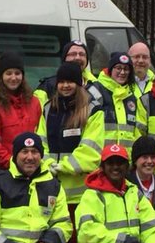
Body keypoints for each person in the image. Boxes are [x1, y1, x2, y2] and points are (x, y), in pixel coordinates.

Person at [38, 62, 105, 211]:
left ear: (79, 84)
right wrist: (48, 163)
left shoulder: (93, 110)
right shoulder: (48, 109)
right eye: (61, 82)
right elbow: (40, 143)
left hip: (80, 195)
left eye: (70, 81)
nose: (65, 85)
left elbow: (91, 151)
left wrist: (62, 167)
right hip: (51, 191)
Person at [0, 52, 43, 177]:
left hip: (31, 170)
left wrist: (30, 163)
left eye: (17, 73)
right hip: (2, 172)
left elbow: (41, 137)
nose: (13, 78)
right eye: (8, 73)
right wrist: (14, 164)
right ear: (1, 76)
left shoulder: (34, 102)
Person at [33, 39, 101, 107]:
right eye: (73, 54)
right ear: (64, 58)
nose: (78, 57)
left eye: (82, 54)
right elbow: (35, 108)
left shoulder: (97, 85)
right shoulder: (48, 86)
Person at [94, 52, 139, 150]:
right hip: (101, 156)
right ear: (110, 69)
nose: (122, 72)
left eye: (126, 69)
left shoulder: (132, 97)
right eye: (118, 68)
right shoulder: (97, 90)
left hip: (125, 157)